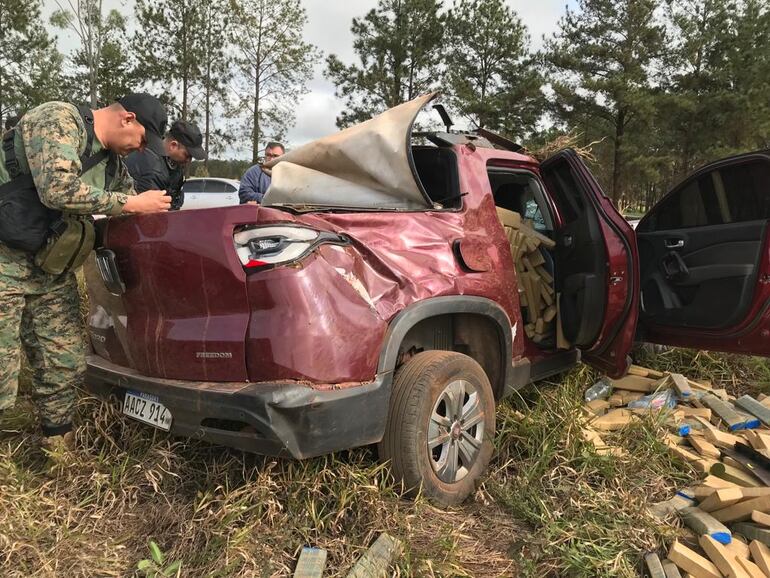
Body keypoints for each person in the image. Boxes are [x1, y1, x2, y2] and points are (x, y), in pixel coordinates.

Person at [0, 93, 172, 454]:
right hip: (5, 259)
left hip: (50, 268)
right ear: (127, 119)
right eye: (142, 140)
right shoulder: (59, 119)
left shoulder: (112, 164)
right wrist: (130, 203)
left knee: (63, 359)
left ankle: (57, 448)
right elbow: (57, 189)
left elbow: (133, 205)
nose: (140, 150)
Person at [125, 119, 207, 210]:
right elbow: (152, 211)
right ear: (173, 145)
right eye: (187, 155)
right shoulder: (150, 167)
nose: (189, 160)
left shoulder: (174, 165)